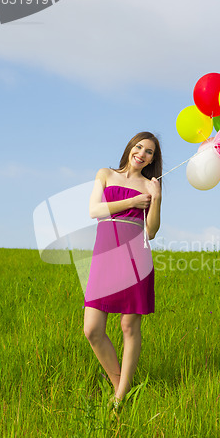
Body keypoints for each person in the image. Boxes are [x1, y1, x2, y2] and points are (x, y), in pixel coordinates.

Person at [83, 131, 162, 409]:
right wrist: (132, 202)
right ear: (130, 148)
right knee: (92, 329)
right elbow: (94, 211)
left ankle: (119, 398)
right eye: (139, 147)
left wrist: (156, 198)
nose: (142, 153)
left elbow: (151, 231)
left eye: (149, 151)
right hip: (105, 256)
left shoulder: (150, 185)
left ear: (153, 159)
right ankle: (121, 387)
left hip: (135, 257)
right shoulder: (105, 173)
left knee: (129, 326)